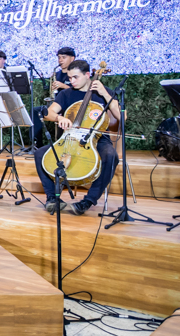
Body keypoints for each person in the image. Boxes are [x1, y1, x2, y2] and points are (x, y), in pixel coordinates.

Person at [34, 60, 121, 216]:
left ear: (87, 75)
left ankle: (88, 201)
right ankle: (52, 198)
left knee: (111, 156)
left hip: (97, 138)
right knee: (40, 154)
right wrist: (59, 118)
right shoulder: (66, 94)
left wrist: (105, 94)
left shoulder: (103, 92)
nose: (71, 81)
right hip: (70, 138)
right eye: (69, 78)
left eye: (75, 77)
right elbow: (48, 113)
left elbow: (121, 117)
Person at [32, 47, 76, 148]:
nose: (60, 60)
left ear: (72, 58)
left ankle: (61, 144)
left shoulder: (75, 74)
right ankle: (37, 144)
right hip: (57, 104)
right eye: (59, 57)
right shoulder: (57, 74)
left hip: (70, 105)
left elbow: (78, 90)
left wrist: (63, 86)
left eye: (63, 57)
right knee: (35, 111)